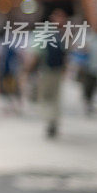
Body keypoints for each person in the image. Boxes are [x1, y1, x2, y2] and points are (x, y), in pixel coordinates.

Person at [38, 8, 67, 138]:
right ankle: (52, 120)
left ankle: (50, 120)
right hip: (54, 70)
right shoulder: (63, 33)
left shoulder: (46, 32)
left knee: (46, 97)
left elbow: (36, 52)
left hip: (48, 70)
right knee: (54, 97)